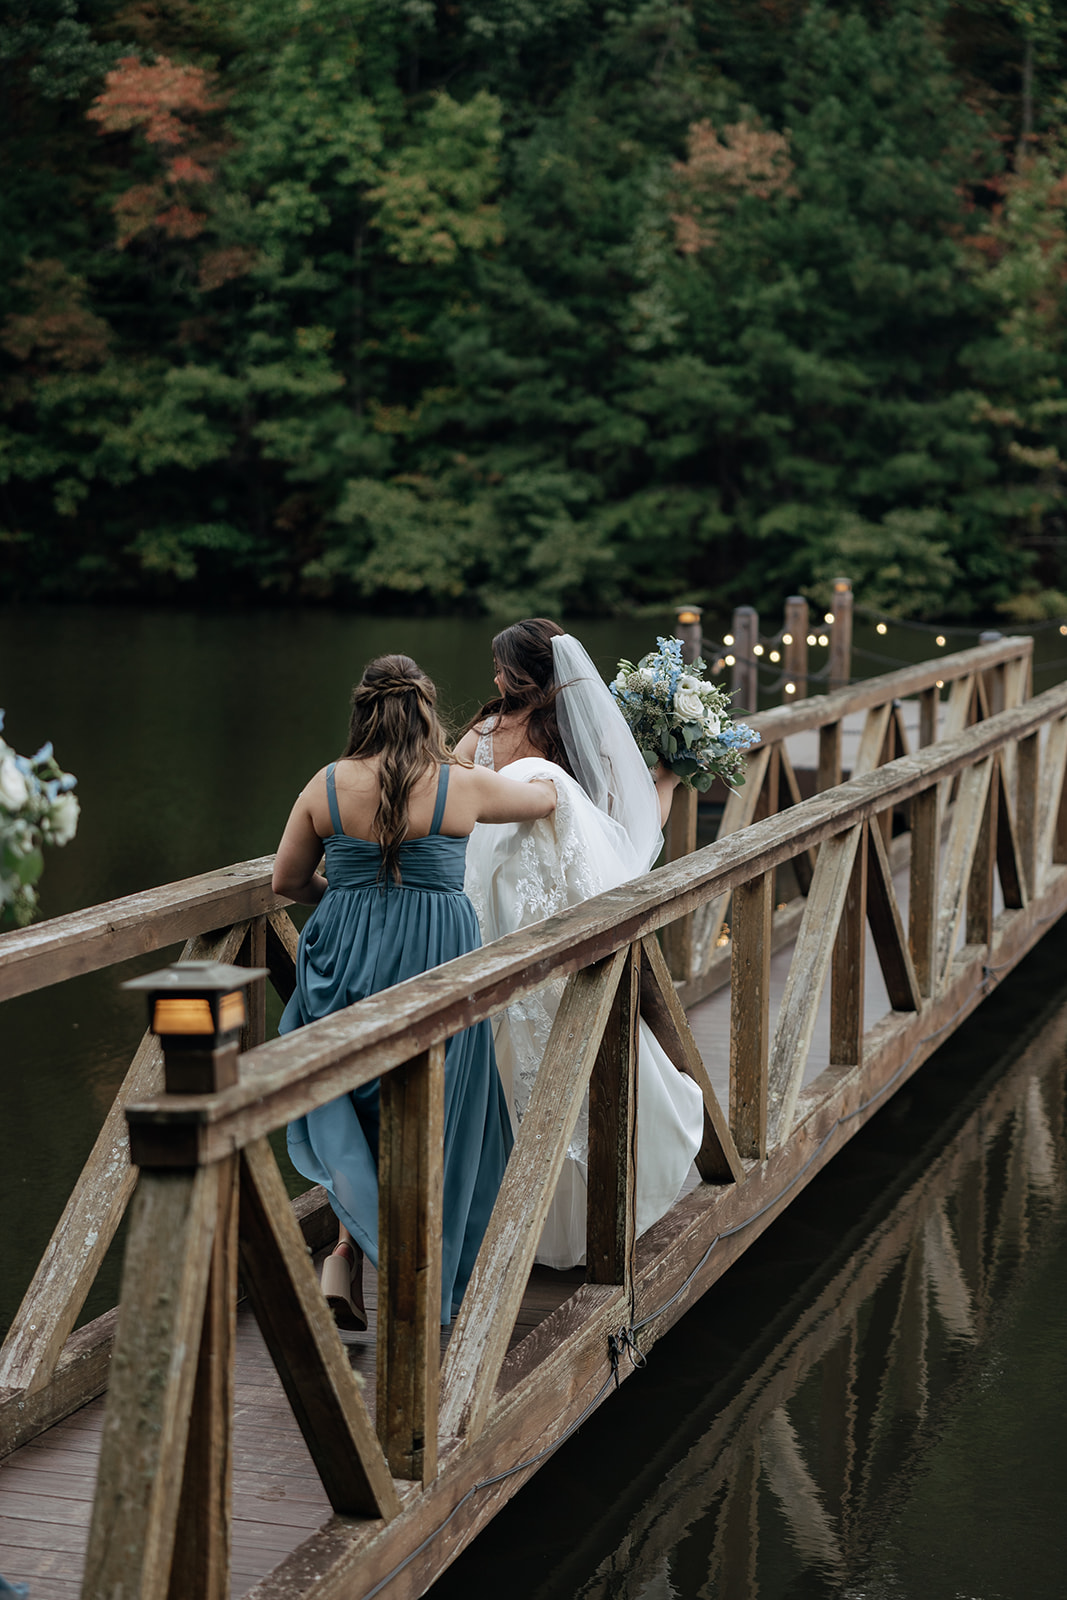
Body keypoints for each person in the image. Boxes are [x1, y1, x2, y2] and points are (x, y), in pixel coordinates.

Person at [272, 654, 556, 1330]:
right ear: (427, 712)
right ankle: (423, 1276)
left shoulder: (327, 784)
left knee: (352, 1101)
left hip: (343, 948)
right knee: (436, 1112)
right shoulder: (462, 784)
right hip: (436, 956)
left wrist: (343, 900)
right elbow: (546, 800)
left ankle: (346, 1247)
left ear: (361, 713)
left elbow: (285, 881)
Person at [454, 619, 705, 1270]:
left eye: (499, 668)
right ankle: (536, 1205)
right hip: (527, 897)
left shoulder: (494, 735)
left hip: (515, 897)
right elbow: (630, 828)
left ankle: (521, 1208)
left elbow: (443, 797)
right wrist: (669, 781)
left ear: (521, 674)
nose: (492, 679)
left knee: (525, 1031)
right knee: (532, 1031)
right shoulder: (562, 732)